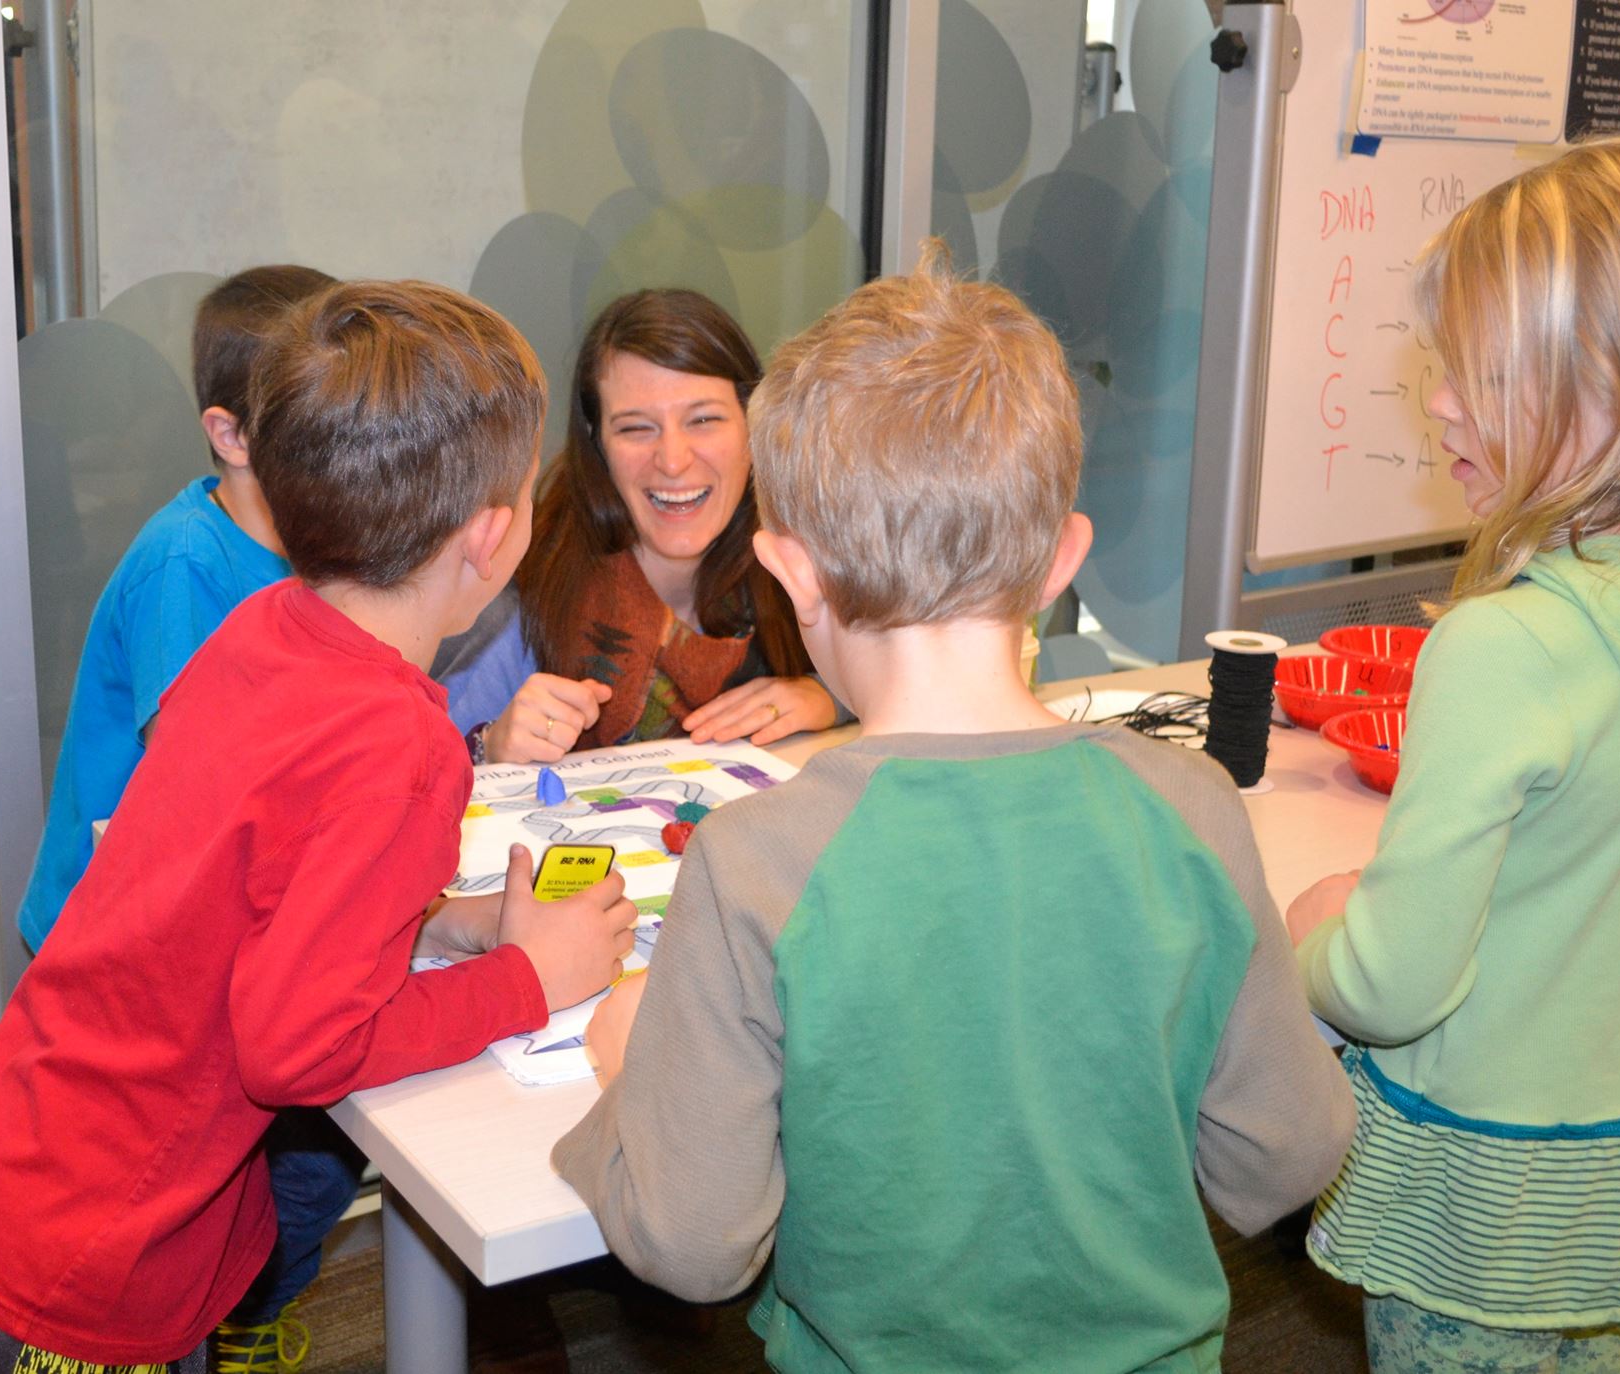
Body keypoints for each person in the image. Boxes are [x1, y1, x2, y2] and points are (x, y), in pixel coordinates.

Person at [551, 245, 1357, 1372]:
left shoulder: (756, 859)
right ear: (1061, 560)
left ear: (791, 572)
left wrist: (627, 1080)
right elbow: (1284, 1157)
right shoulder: (1193, 806)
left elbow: (695, 1246)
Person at [0, 280, 638, 1373]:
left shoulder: (263, 629)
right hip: (82, 1266)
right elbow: (301, 1048)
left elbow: (248, 877)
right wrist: (529, 979)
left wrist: (434, 923)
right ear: (491, 538)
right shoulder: (401, 743)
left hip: (17, 1167)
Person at [1284, 136, 1620, 1373]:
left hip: (1484, 1195)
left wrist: (1316, 931)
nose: (1437, 403)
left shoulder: (1502, 644)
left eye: (1480, 373)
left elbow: (1385, 985)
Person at [16, 264, 332, 953]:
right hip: (113, 923)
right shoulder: (185, 562)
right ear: (231, 436)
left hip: (211, 890)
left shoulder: (317, 548)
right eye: (321, 420)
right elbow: (197, 777)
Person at [437, 289, 837, 764]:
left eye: (703, 420)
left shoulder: (806, 559)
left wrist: (830, 697)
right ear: (598, 445)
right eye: (636, 428)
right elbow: (416, 762)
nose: (673, 460)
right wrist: (487, 748)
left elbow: (909, 670)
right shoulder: (520, 593)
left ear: (755, 427)